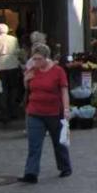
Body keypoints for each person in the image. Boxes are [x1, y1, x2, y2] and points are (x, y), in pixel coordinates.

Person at [19, 43, 71, 183]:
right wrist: (25, 80)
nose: (36, 62)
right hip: (34, 111)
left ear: (46, 58)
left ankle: (65, 167)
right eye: (34, 58)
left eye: (39, 59)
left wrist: (66, 109)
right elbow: (27, 88)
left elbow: (64, 91)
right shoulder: (32, 70)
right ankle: (31, 173)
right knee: (34, 144)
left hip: (54, 112)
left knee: (59, 143)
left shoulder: (58, 71)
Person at [0, 23, 22, 125]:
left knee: (3, 91)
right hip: (14, 65)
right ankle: (13, 111)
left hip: (2, 67)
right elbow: (18, 52)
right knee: (14, 89)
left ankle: (4, 114)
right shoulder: (14, 39)